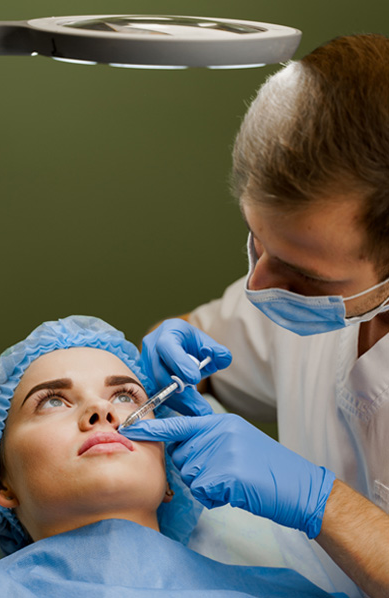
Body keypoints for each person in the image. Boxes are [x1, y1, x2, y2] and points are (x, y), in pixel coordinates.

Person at [120, 34, 389, 598]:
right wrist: (169, 347)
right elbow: (201, 337)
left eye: (306, 276)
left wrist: (322, 502)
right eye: (256, 243)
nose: (259, 285)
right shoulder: (293, 283)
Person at [0, 315, 347, 597]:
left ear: (170, 475)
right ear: (1, 484)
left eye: (125, 396)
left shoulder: (284, 589)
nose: (101, 412)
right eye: (53, 401)